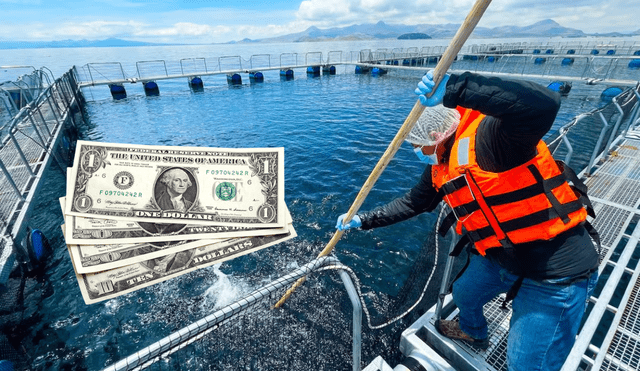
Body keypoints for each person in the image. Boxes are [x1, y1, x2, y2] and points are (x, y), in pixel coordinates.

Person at [336, 70, 600, 370]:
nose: (415, 152)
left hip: (555, 273)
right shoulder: (442, 165)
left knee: (526, 364)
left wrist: (458, 87)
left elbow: (544, 105)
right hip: (500, 260)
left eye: (416, 145)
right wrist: (362, 220)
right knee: (464, 293)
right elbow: (413, 202)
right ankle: (473, 332)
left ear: (437, 138)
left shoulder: (493, 139)